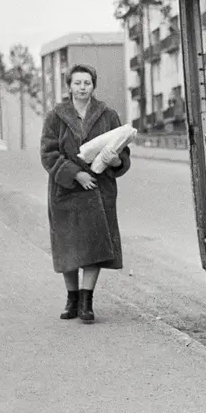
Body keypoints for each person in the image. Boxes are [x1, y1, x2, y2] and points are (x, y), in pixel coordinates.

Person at [40, 64, 132, 324]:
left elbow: (123, 153)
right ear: (69, 86)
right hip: (66, 191)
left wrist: (114, 161)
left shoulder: (107, 115)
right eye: (77, 83)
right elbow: (48, 153)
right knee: (68, 246)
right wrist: (74, 173)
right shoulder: (55, 117)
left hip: (98, 190)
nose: (82, 87)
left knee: (94, 246)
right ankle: (71, 298)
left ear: (93, 85)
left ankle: (86, 301)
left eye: (87, 83)